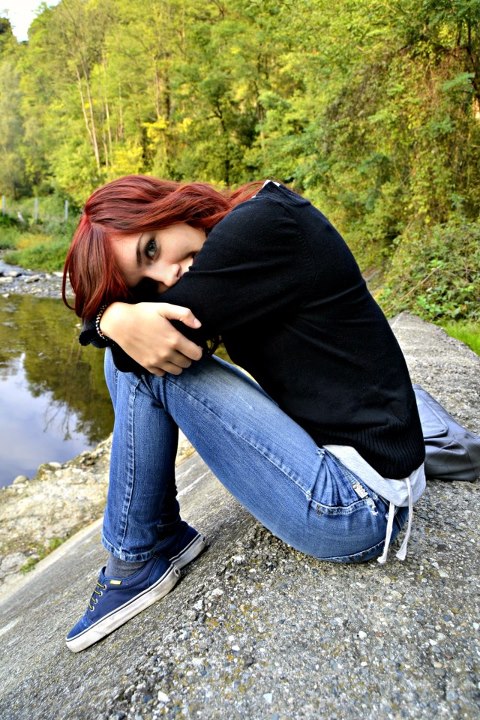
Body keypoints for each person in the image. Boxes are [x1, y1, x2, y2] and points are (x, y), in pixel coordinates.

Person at [62, 176, 426, 653]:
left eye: (152, 249)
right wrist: (115, 316)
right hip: (361, 473)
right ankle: (155, 537)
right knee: (136, 342)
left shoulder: (260, 227)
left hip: (359, 506)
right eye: (148, 281)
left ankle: (139, 553)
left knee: (141, 360)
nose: (167, 277)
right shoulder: (256, 221)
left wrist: (110, 319)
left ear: (164, 206)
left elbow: (136, 350)